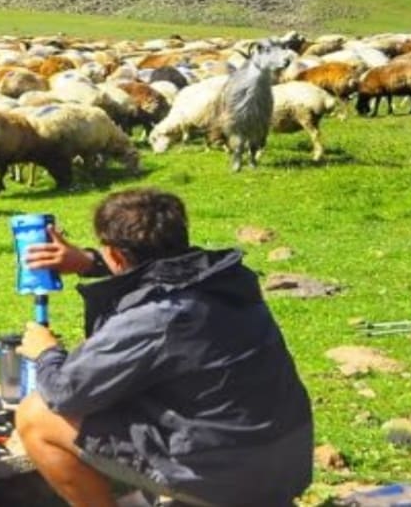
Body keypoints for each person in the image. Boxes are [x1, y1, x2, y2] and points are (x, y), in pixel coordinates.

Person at [15, 188, 313, 507]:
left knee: (36, 415)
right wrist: (90, 262)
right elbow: (159, 275)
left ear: (116, 254)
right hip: (286, 458)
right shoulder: (226, 278)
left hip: (229, 477)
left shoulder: (158, 316)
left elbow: (65, 393)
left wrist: (46, 352)